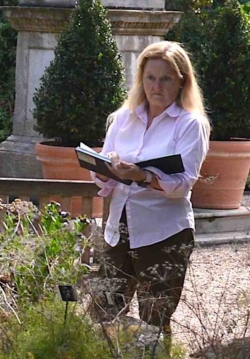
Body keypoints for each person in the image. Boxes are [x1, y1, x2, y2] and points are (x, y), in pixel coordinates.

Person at [85, 40, 207, 330]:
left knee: (155, 318)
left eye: (166, 79)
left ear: (181, 82)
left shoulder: (190, 124)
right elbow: (103, 167)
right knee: (103, 310)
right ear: (141, 79)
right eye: (150, 77)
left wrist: (144, 177)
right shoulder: (122, 119)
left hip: (163, 232)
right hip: (118, 228)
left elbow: (184, 183)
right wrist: (103, 171)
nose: (157, 86)